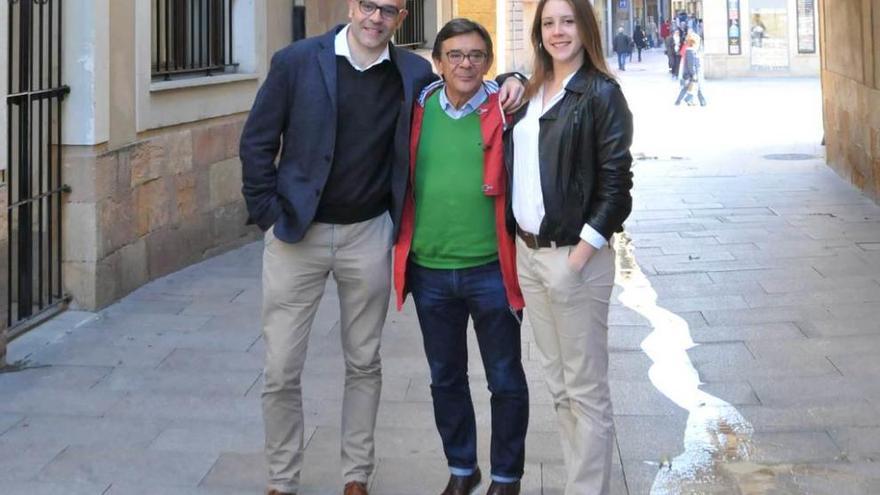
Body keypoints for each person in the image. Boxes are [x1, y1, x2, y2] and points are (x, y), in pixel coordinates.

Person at [239, 1, 525, 494]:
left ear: (400, 16)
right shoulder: (296, 61)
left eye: (388, 10)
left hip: (368, 234)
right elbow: (257, 142)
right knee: (281, 367)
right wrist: (268, 212)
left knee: (364, 362)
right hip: (296, 236)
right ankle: (282, 480)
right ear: (352, 7)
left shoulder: (412, 72)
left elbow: (475, 80)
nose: (376, 17)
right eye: (368, 5)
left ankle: (356, 476)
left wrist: (515, 73)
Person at [392, 18, 530, 495]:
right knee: (445, 378)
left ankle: (506, 477)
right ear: (438, 63)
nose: (465, 63)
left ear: (488, 62)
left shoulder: (507, 108)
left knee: (505, 379)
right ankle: (462, 468)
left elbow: (534, 82)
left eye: (475, 55)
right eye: (454, 55)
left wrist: (519, 78)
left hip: (492, 270)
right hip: (430, 272)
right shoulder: (417, 108)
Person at [505, 0, 634, 493]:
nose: (558, 32)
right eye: (548, 23)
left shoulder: (601, 93)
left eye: (568, 21)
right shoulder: (533, 89)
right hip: (530, 256)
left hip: (573, 260)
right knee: (559, 387)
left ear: (585, 27)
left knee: (585, 391)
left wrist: (577, 257)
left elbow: (617, 186)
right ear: (539, 32)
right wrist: (517, 72)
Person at [675, 32, 707, 106]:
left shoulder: (691, 51)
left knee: (689, 88)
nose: (699, 44)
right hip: (691, 74)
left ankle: (680, 101)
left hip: (691, 74)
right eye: (698, 42)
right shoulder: (690, 51)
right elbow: (690, 64)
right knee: (696, 88)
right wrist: (694, 74)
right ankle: (698, 101)